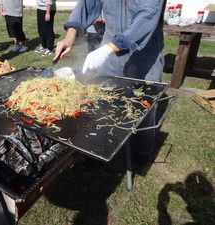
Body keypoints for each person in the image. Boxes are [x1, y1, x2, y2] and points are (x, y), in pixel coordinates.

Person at [54, 0, 166, 165]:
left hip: (145, 58)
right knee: (103, 105)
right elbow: (86, 5)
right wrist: (70, 37)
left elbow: (147, 17)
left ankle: (142, 152)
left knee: (146, 108)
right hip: (110, 57)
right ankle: (100, 148)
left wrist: (108, 49)